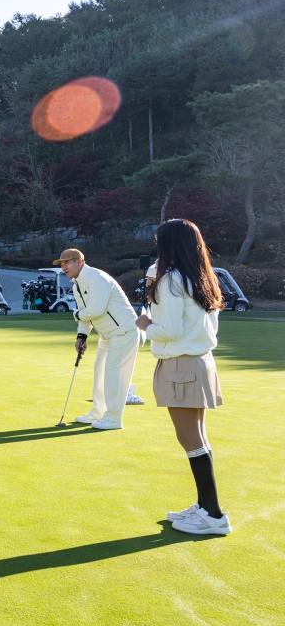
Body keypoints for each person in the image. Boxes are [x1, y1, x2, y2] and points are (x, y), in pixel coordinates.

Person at [135, 219, 231, 536]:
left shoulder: (171, 281)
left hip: (181, 365)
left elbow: (172, 330)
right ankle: (206, 507)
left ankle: (213, 514)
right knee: (197, 438)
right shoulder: (202, 277)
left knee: (190, 439)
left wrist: (146, 325)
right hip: (199, 362)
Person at [58, 248, 139, 430]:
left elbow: (94, 311)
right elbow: (85, 316)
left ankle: (114, 419)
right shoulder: (76, 284)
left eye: (67, 263)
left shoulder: (97, 278)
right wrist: (81, 336)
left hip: (124, 331)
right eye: (62, 264)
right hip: (106, 335)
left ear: (79, 262)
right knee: (100, 372)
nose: (64, 267)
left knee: (113, 374)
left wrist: (76, 314)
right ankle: (98, 412)